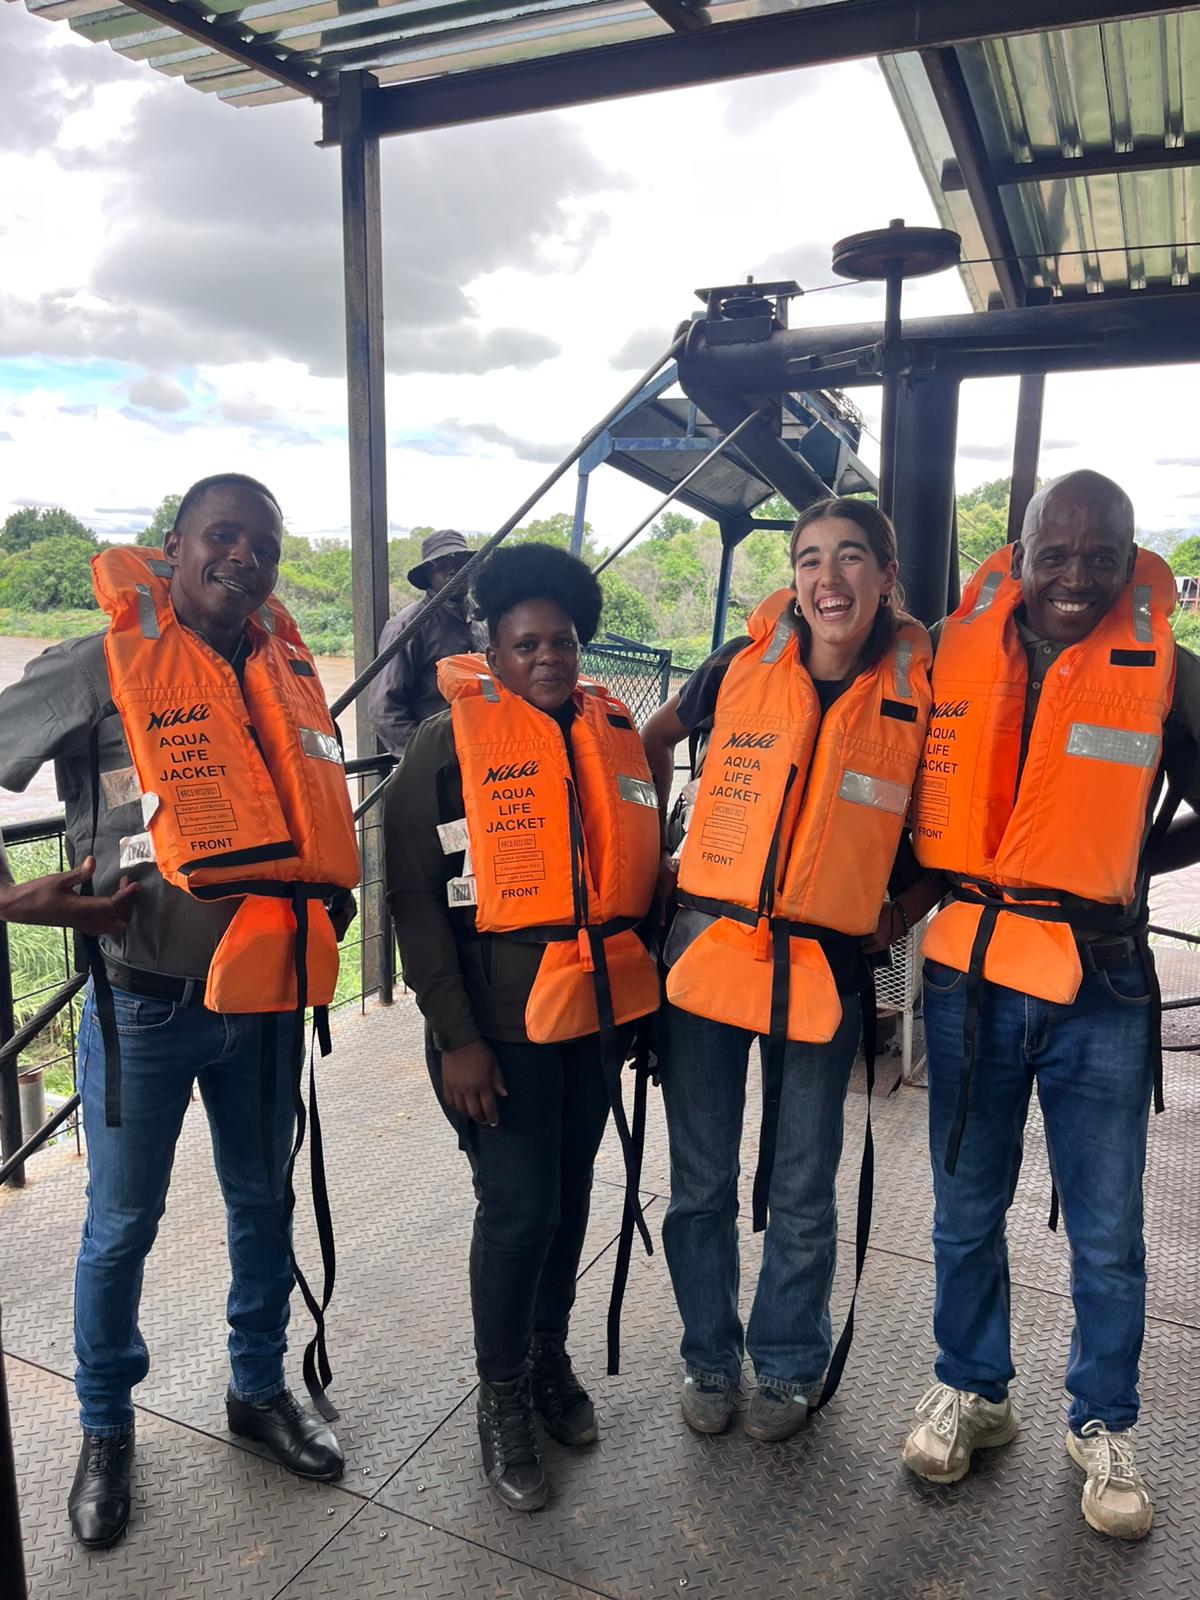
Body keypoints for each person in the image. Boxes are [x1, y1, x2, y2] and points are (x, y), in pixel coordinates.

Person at [0, 473, 360, 1550]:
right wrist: (11, 896)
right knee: (120, 1228)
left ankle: (259, 1390)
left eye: (264, 545)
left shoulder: (283, 669)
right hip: (143, 1009)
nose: (243, 558)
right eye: (222, 535)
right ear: (174, 546)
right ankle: (106, 1426)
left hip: (268, 1002)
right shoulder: (101, 661)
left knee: (262, 1203)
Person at [900, 469, 1200, 1541]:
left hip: (1100, 982)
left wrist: (1130, 863)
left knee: (1109, 1229)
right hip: (971, 973)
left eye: (1102, 555)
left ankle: (1102, 1421)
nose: (1077, 576)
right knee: (963, 1207)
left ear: (1131, 559)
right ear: (1018, 552)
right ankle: (973, 1390)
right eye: (1055, 553)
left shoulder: (1168, 671)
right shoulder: (952, 651)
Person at [641, 498, 932, 1441]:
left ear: (886, 575)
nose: (827, 579)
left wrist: (900, 911)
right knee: (700, 1181)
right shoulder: (737, 664)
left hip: (823, 965)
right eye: (809, 559)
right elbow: (651, 743)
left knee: (805, 1183)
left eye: (850, 557)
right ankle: (708, 1354)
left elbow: (948, 835)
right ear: (795, 577)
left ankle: (789, 1364)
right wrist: (652, 868)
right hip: (709, 949)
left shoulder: (923, 696)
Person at [385, 542, 660, 1512]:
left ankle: (548, 1356)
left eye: (564, 642)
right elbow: (413, 899)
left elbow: (637, 880)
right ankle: (500, 1395)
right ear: (493, 652)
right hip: (493, 1035)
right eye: (527, 643)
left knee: (571, 1197)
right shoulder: (444, 745)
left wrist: (642, 1009)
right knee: (518, 1211)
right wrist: (455, 1037)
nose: (548, 657)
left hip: (591, 1021)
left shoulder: (608, 735)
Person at [368, 528, 478, 758]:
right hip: (440, 757)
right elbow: (384, 710)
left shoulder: (483, 618)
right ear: (428, 574)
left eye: (462, 560)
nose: (454, 569)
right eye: (442, 564)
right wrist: (429, 758)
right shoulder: (407, 626)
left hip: (484, 753)